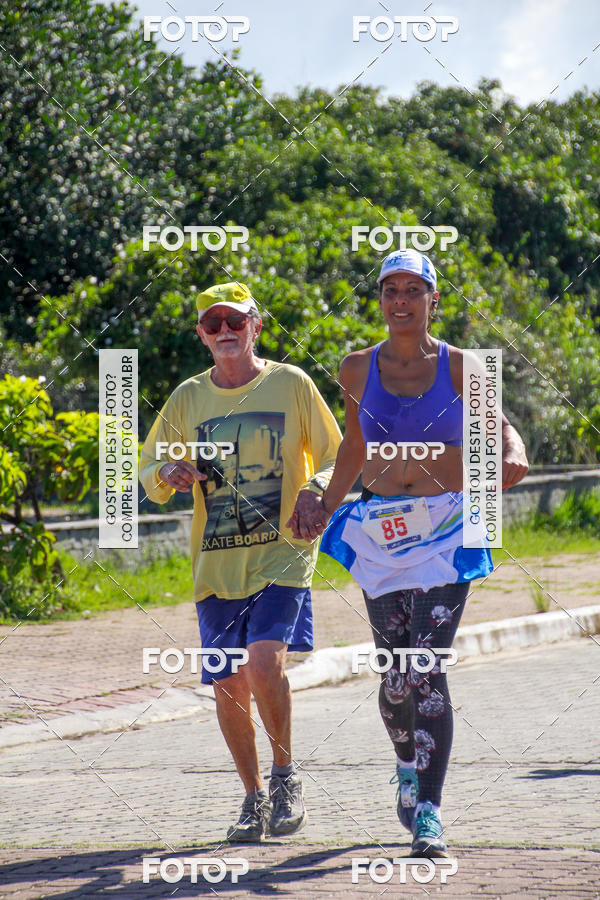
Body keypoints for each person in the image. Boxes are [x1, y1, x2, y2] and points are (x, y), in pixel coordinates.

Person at [292, 249, 529, 858]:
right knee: (395, 677)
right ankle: (406, 762)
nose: (400, 300)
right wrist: (322, 500)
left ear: (433, 299)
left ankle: (430, 810)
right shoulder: (354, 368)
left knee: (426, 666)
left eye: (413, 289)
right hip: (384, 531)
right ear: (381, 300)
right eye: (389, 290)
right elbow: (353, 448)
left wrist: (512, 450)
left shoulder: (463, 366)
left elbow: (497, 427)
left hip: (448, 527)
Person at [139, 282, 341, 842]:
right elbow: (148, 467)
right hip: (216, 565)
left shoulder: (291, 384)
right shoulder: (186, 398)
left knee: (263, 661)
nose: (225, 331)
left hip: (283, 552)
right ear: (202, 335)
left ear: (257, 326)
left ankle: (285, 776)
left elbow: (334, 451)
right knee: (227, 684)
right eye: (213, 324)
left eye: (236, 321)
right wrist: (168, 473)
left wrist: (316, 491)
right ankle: (253, 798)